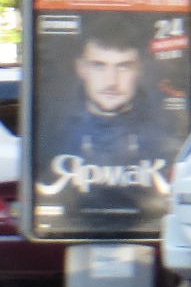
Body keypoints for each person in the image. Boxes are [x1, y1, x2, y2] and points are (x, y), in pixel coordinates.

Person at [35, 14, 175, 228]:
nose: (111, 81)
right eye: (99, 65)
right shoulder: (52, 135)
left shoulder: (166, 137)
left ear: (139, 70)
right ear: (81, 68)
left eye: (124, 66)